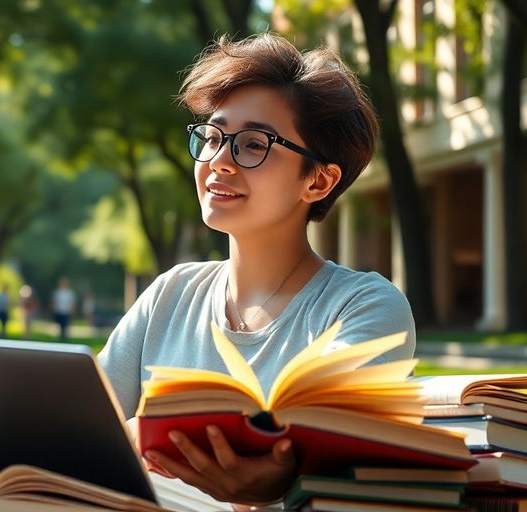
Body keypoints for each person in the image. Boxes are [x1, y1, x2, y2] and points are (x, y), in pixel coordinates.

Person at [97, 33, 415, 507]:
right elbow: (86, 432)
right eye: (211, 137)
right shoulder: (170, 294)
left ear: (318, 179)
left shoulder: (363, 308)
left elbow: (333, 475)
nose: (219, 162)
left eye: (252, 144)